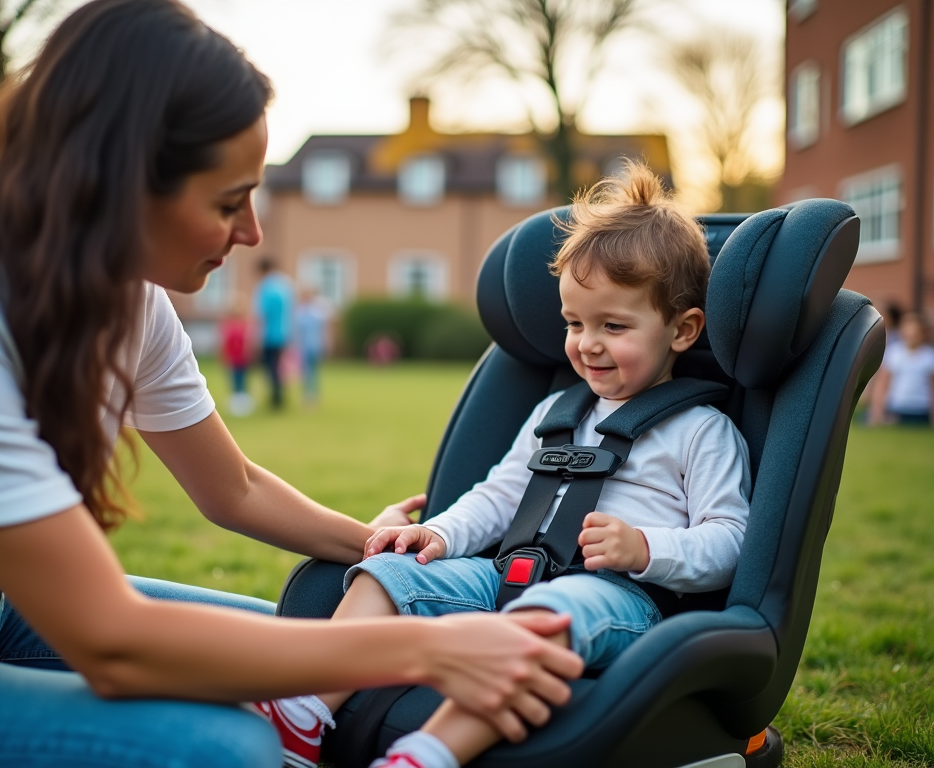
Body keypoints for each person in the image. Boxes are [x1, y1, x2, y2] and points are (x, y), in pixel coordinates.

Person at [0, 2, 585, 767]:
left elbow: (231, 486)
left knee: (292, 675)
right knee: (227, 747)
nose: (254, 233)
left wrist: (389, 546)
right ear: (118, 182)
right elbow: (112, 642)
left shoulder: (127, 299)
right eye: (229, 201)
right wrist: (430, 646)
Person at [256, 162, 753, 768]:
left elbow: (730, 540)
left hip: (616, 602)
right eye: (574, 323)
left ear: (683, 330)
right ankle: (303, 715)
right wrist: (436, 534)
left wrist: (644, 548)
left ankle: (430, 752)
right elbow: (499, 497)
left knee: (549, 613)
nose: (587, 343)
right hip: (506, 576)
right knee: (387, 573)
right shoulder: (555, 411)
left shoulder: (702, 430)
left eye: (613, 326)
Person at [868, 312, 934, 426]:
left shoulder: (929, 356)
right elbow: (883, 384)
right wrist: (877, 412)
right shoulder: (893, 353)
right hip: (897, 408)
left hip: (920, 409)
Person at [254, 258, 294, 409]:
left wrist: (256, 336)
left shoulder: (265, 287)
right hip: (284, 333)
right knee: (280, 367)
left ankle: (275, 398)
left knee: (270, 367)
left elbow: (262, 313)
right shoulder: (286, 285)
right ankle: (280, 396)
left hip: (269, 335)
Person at [294, 286, 331, 406]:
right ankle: (308, 394)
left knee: (312, 371)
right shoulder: (299, 311)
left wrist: (326, 344)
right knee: (305, 372)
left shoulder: (317, 311)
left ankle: (312, 395)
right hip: (302, 346)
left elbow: (324, 330)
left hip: (314, 345)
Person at [220, 310, 255, 416]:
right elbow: (226, 344)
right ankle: (237, 402)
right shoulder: (229, 327)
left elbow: (248, 343)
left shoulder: (244, 327)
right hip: (234, 358)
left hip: (242, 359)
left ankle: (242, 402)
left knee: (242, 380)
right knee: (236, 379)